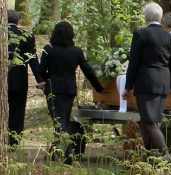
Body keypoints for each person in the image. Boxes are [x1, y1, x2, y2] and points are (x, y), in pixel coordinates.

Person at [38, 21, 102, 162]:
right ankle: (54, 155)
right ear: (71, 35)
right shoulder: (76, 51)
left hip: (53, 89)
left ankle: (67, 154)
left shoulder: (48, 49)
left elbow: (41, 71)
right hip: (69, 90)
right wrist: (99, 88)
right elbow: (88, 71)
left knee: (59, 122)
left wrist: (45, 80)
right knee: (63, 121)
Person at [125, 2, 171, 157]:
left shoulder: (140, 34)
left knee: (149, 122)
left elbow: (134, 62)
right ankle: (148, 155)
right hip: (163, 83)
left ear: (145, 18)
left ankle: (166, 156)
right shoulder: (168, 37)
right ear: (160, 17)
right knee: (147, 120)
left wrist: (127, 86)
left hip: (146, 83)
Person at [6, 9, 42, 146]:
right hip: (19, 80)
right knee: (17, 110)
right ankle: (13, 141)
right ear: (17, 21)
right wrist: (40, 79)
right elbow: (32, 59)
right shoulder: (26, 36)